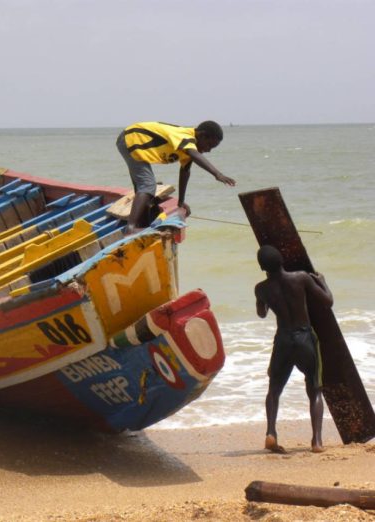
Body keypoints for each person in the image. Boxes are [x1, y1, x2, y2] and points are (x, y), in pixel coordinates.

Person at [254, 245, 334, 454]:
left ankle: (271, 432)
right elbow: (327, 301)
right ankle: (316, 441)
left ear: (262, 267)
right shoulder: (301, 278)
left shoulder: (261, 288)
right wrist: (322, 282)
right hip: (304, 337)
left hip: (283, 340)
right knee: (315, 389)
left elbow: (261, 313)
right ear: (282, 261)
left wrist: (265, 301)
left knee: (274, 389)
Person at [116, 120, 236, 231]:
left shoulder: (189, 150)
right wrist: (217, 174)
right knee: (148, 185)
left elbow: (185, 172)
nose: (209, 150)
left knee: (143, 187)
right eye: (209, 145)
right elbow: (194, 154)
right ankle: (131, 227)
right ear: (202, 135)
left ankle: (140, 223)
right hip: (131, 138)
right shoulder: (186, 137)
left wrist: (181, 201)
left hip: (132, 143)